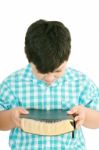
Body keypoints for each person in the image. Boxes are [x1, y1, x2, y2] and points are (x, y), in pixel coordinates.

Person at [0, 19, 99, 150]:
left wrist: (85, 115)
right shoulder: (11, 85)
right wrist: (11, 118)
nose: (50, 78)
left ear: (67, 58)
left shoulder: (81, 83)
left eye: (58, 70)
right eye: (41, 72)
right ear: (30, 59)